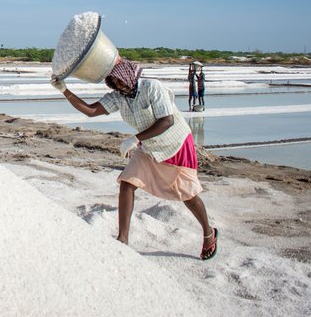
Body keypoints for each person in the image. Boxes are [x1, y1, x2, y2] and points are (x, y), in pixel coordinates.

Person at [51, 58, 217, 260]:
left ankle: (209, 233)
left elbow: (167, 120)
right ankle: (122, 239)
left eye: (119, 82)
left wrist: (134, 138)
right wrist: (64, 90)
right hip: (149, 147)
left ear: (129, 76)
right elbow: (91, 110)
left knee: (187, 194)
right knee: (127, 183)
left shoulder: (152, 88)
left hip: (176, 143)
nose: (118, 87)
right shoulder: (119, 97)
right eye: (113, 84)